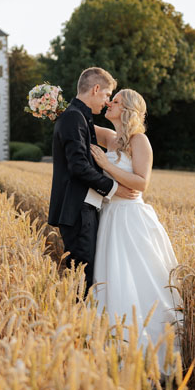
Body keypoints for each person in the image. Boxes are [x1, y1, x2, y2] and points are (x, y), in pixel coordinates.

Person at [89, 88, 183, 375]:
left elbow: (142, 183)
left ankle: (152, 359)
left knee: (138, 283)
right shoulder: (109, 137)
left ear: (127, 108)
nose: (108, 103)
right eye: (109, 99)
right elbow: (76, 120)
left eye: (114, 101)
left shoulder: (139, 141)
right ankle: (114, 354)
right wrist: (49, 104)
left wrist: (105, 164)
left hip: (132, 219)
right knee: (111, 281)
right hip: (110, 217)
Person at [48, 67, 139, 299]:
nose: (107, 101)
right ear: (96, 89)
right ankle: (81, 330)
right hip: (77, 210)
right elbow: (78, 167)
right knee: (83, 281)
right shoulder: (73, 117)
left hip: (85, 209)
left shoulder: (78, 116)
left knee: (85, 278)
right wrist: (115, 189)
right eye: (108, 95)